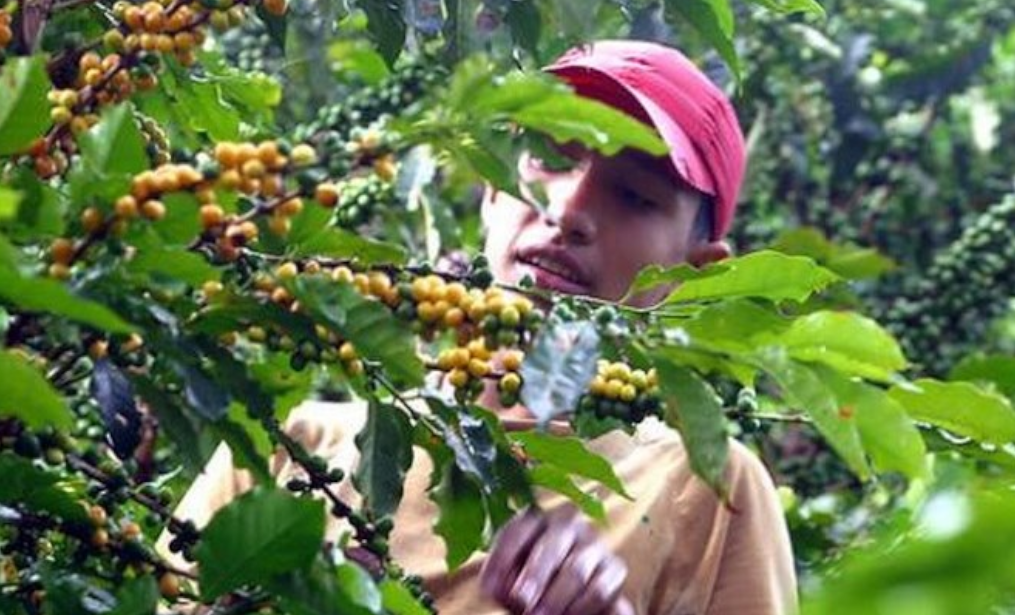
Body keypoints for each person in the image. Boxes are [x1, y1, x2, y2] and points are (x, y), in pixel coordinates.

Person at [173, 40, 797, 615]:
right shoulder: (288, 450)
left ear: (696, 272)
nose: (570, 210)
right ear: (492, 193)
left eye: (634, 197)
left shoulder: (705, 490)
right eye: (551, 159)